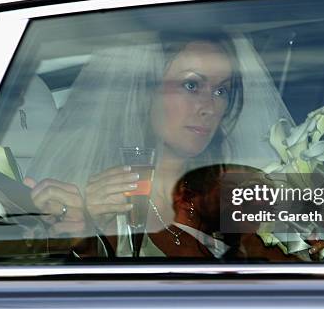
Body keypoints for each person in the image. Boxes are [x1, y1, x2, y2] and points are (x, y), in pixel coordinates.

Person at [23, 31, 292, 258]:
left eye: (221, 90)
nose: (209, 107)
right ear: (145, 92)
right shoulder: (94, 203)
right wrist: (88, 231)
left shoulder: (235, 193)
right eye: (191, 85)